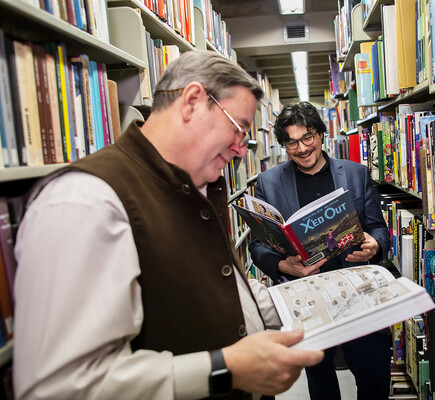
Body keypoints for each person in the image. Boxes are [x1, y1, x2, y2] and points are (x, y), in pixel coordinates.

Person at [13, 50, 323, 400]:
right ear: (191, 101)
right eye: (238, 129)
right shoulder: (83, 201)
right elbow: (58, 387)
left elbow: (214, 285)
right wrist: (225, 368)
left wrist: (316, 301)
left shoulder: (191, 186)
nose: (240, 151)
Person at [249, 102, 392, 400]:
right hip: (307, 300)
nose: (302, 148)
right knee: (321, 382)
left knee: (375, 376)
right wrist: (283, 266)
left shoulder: (356, 174)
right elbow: (257, 246)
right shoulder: (268, 182)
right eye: (291, 142)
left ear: (321, 134)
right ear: (283, 144)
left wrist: (374, 245)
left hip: (358, 293)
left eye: (308, 137)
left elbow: (379, 229)